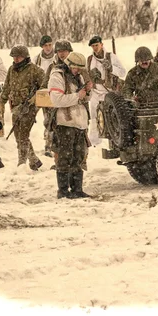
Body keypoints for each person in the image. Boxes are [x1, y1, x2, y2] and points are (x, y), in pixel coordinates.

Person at [48, 52, 93, 199]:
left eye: (80, 69)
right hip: (65, 122)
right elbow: (56, 100)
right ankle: (63, 191)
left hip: (79, 122)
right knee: (65, 157)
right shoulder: (57, 76)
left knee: (78, 156)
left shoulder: (77, 76)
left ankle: (77, 189)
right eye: (75, 68)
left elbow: (86, 98)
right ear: (68, 65)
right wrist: (77, 96)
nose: (78, 71)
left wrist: (87, 91)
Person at [0, 45, 45, 170]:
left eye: (18, 57)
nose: (16, 59)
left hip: (29, 108)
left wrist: (34, 99)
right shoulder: (11, 70)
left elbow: (44, 87)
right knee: (18, 135)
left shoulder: (35, 70)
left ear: (25, 57)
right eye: (14, 57)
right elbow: (7, 87)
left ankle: (22, 163)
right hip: (16, 107)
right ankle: (34, 160)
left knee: (23, 136)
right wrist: (1, 102)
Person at [86, 35, 126, 146]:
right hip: (95, 92)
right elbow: (86, 75)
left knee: (111, 117)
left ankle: (113, 139)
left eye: (97, 45)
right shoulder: (89, 59)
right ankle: (95, 141)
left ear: (102, 45)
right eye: (93, 46)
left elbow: (123, 72)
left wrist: (111, 68)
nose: (95, 48)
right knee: (94, 118)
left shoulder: (111, 57)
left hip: (109, 93)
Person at [32, 35, 57, 156]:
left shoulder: (57, 57)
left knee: (50, 120)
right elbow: (31, 75)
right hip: (40, 92)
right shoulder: (36, 60)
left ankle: (49, 145)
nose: (48, 47)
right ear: (42, 46)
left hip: (54, 92)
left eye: (50, 45)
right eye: (46, 45)